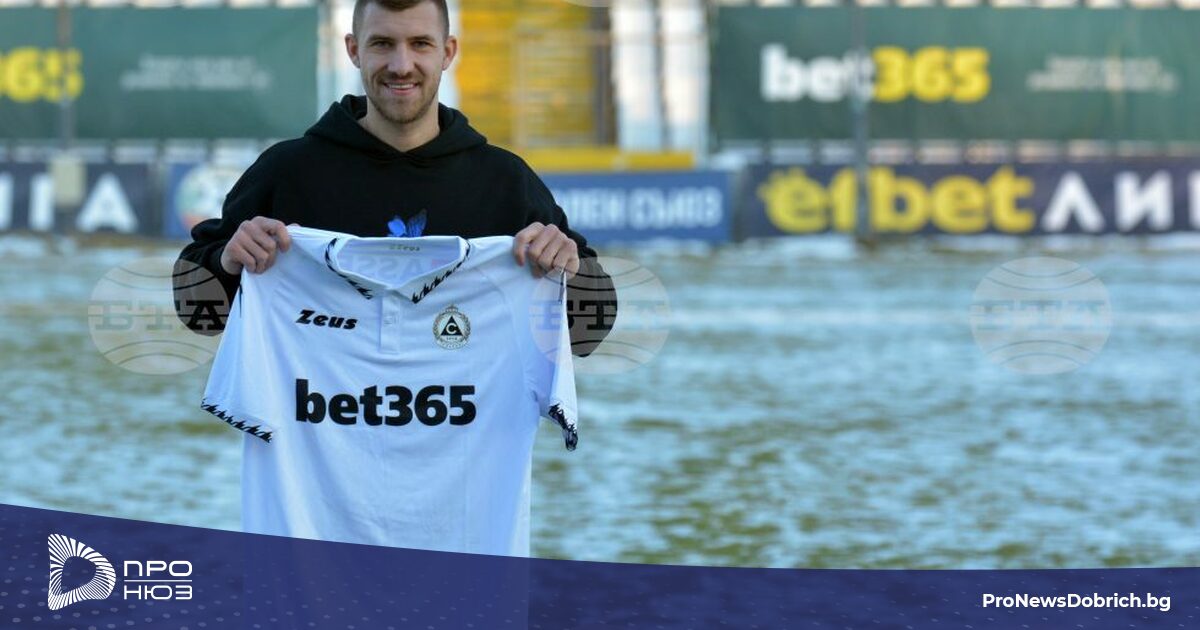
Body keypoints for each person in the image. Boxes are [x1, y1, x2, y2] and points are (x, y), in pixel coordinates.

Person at [174, 0, 616, 354]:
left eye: (420, 44)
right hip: (316, 439)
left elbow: (586, 335)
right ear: (353, 50)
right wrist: (227, 262)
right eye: (383, 44)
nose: (401, 65)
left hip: (464, 439)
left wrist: (572, 272)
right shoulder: (287, 171)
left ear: (448, 52)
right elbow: (199, 316)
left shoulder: (505, 181)